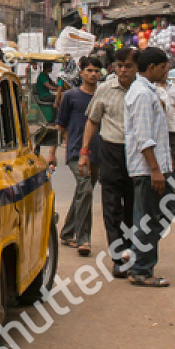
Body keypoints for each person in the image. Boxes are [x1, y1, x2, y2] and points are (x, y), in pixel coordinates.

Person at [81, 47, 138, 277]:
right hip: (110, 150)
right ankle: (118, 257)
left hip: (136, 153)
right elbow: (93, 121)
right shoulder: (105, 89)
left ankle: (131, 251)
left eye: (128, 66)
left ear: (136, 68)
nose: (123, 70)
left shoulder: (143, 90)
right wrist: (84, 151)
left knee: (133, 206)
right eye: (119, 65)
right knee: (112, 205)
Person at [124, 47, 173, 288]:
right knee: (150, 217)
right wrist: (155, 169)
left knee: (162, 212)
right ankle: (141, 268)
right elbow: (144, 137)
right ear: (152, 67)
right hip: (146, 169)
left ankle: (137, 253)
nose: (166, 72)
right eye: (164, 67)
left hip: (155, 167)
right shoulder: (142, 94)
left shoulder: (148, 91)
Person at [56, 56, 102, 257]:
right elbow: (61, 124)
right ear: (82, 72)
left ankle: (67, 232)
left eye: (96, 71)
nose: (93, 74)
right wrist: (59, 147)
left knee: (83, 192)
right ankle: (83, 238)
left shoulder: (103, 95)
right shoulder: (71, 96)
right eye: (89, 70)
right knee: (86, 189)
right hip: (76, 152)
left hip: (98, 152)